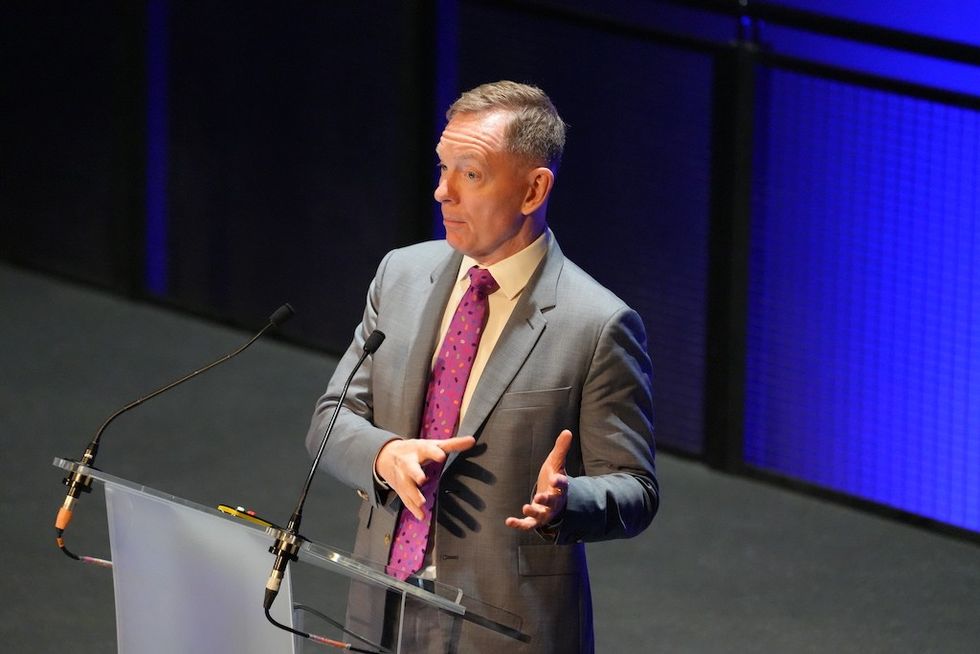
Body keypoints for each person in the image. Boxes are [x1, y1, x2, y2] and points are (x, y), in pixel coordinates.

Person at [306, 80, 658, 653]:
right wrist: (382, 454)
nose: (442, 192)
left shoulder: (598, 325)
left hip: (506, 627)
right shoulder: (400, 275)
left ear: (532, 189)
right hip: (381, 604)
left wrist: (567, 504)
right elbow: (331, 418)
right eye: (442, 168)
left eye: (469, 174)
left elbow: (637, 490)